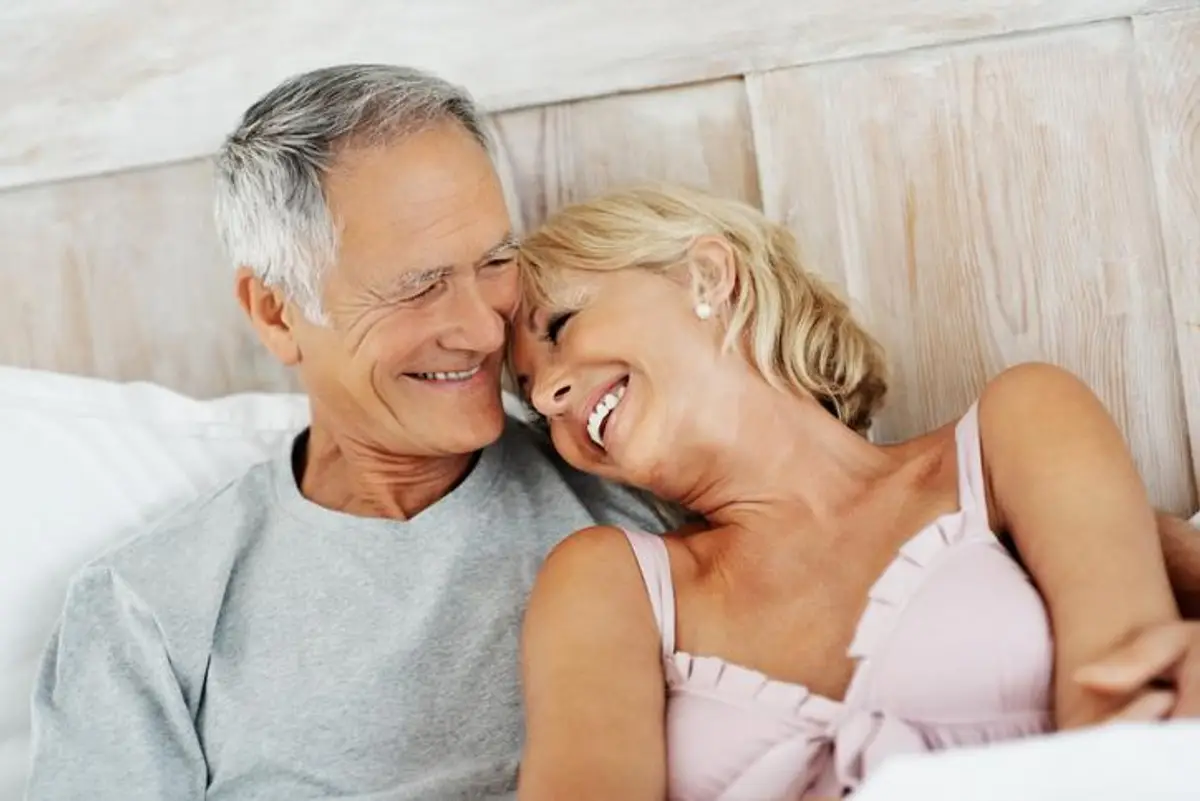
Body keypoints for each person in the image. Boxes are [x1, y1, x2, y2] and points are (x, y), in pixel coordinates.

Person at [21, 65, 1199, 801]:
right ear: (277, 310)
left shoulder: (631, 483)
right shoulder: (151, 608)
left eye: (495, 265)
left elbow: (1063, 560)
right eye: (419, 283)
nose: (485, 328)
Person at [507, 182, 1200, 800]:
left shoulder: (1016, 427)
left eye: (560, 327)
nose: (547, 392)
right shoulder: (606, 579)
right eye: (535, 403)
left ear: (708, 275)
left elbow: (1128, 723)